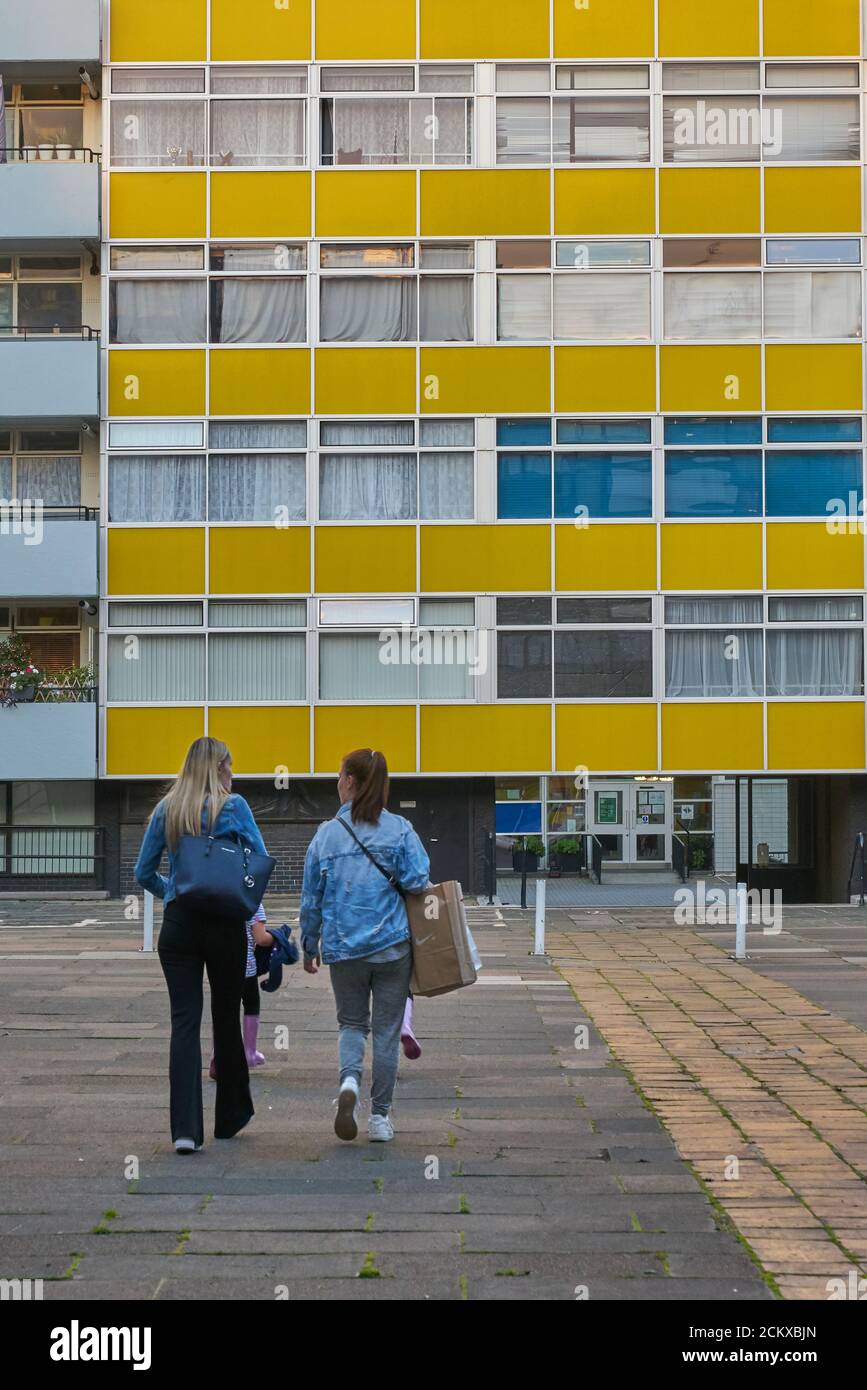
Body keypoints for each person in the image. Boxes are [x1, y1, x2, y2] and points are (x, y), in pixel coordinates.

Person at [134, 736, 271, 1154]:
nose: (233, 773)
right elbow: (260, 860)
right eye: (229, 765)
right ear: (219, 768)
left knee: (184, 1024)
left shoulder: (167, 809)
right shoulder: (235, 807)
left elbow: (143, 872)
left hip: (179, 926)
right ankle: (228, 1119)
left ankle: (185, 1131)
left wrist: (173, 891)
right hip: (225, 924)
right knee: (226, 1018)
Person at [300, 748, 430, 1143]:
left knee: (351, 1024)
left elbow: (311, 898)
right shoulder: (401, 829)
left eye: (339, 776)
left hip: (344, 950)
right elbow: (418, 879)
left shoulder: (326, 835)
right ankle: (380, 1119)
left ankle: (350, 1085)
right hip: (393, 947)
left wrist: (310, 944)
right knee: (387, 1033)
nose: (337, 783)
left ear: (351, 782)